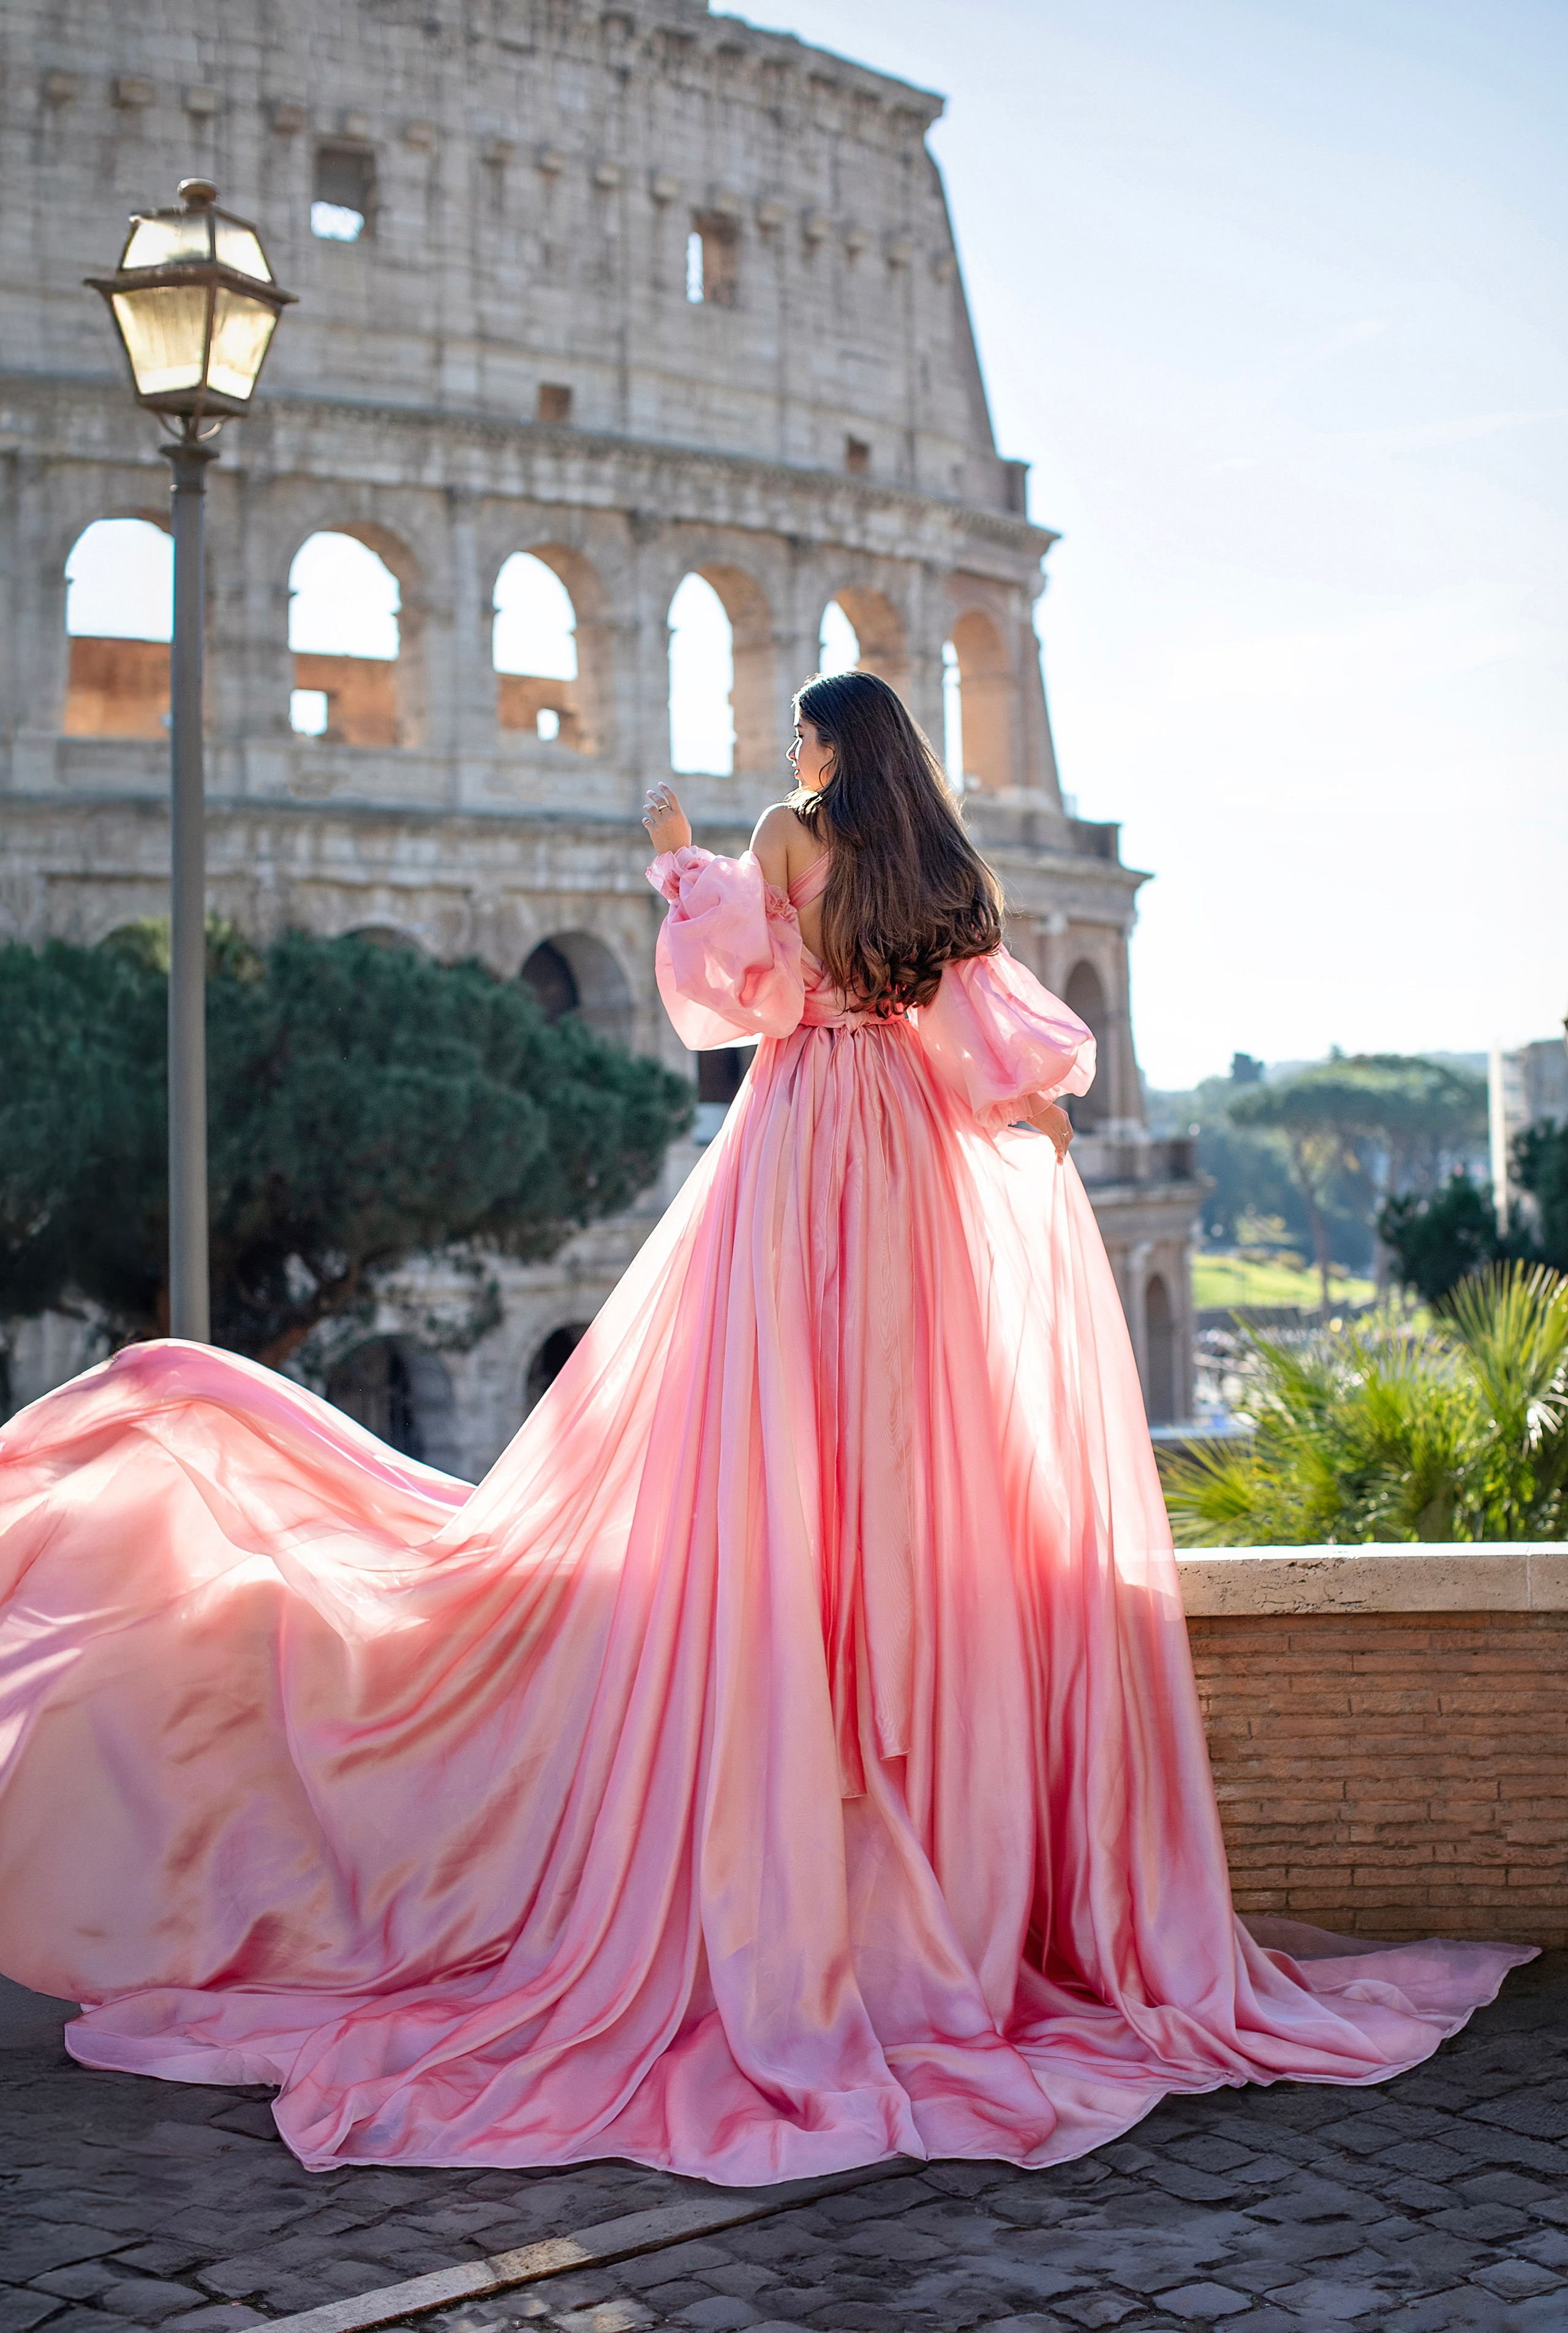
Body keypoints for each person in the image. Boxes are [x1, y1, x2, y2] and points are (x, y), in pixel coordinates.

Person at [0, 673, 1529, 2184]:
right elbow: (980, 1035)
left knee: (769, 1421)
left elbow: (750, 1001)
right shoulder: (938, 860)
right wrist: (1030, 1119)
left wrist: (678, 863)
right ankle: (889, 1730)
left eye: (799, 732)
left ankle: (812, 1725)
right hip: (913, 1158)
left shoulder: (789, 834)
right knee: (903, 1431)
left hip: (800, 1141)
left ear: (825, 745)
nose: (789, 751)